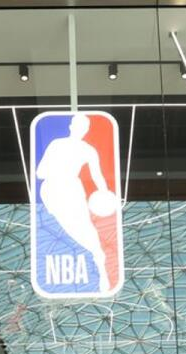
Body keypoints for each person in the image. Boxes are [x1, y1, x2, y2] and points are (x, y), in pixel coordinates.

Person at [35, 112, 117, 293]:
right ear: (72, 126)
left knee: (82, 227)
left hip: (66, 189)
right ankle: (98, 260)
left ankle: (100, 264)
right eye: (79, 126)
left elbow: (98, 176)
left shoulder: (80, 149)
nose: (81, 130)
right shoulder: (73, 147)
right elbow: (40, 172)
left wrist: (104, 192)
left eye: (83, 127)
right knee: (73, 227)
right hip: (59, 190)